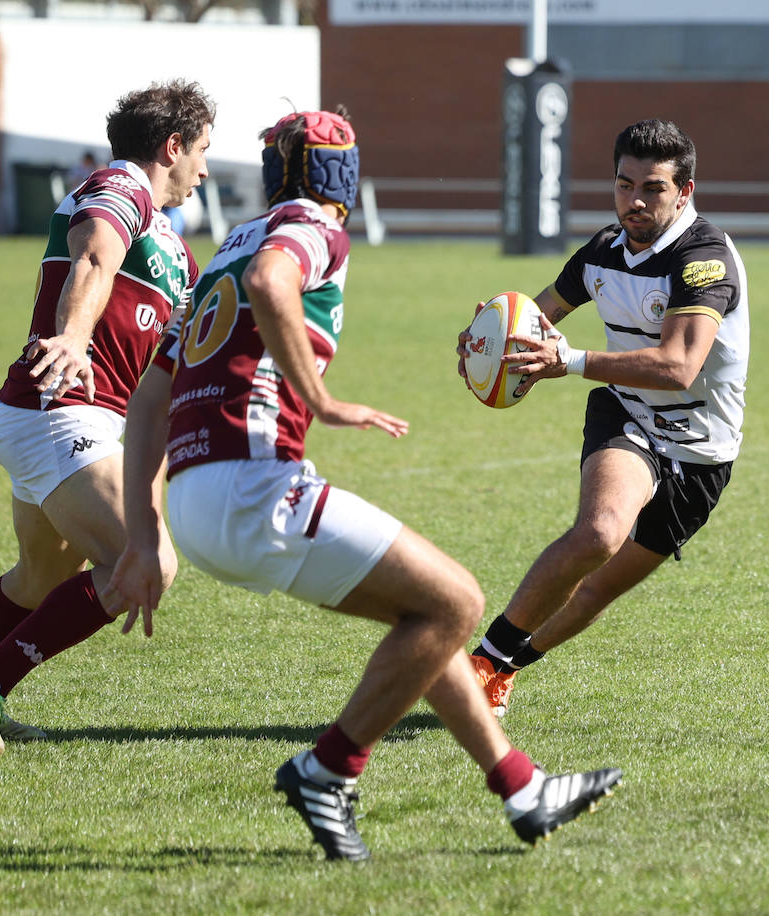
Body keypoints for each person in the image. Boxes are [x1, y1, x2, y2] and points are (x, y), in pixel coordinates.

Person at [97, 108, 623, 861]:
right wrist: (322, 400)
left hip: (198, 502)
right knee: (458, 603)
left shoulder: (223, 249)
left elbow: (151, 395)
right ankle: (328, 769)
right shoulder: (313, 226)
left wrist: (147, 534)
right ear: (337, 172)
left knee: (425, 619)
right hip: (253, 487)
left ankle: (521, 787)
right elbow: (273, 283)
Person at [0, 80, 215, 753]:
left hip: (72, 420)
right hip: (61, 410)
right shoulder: (119, 187)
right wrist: (75, 335)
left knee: (41, 579)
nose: (204, 169)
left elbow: (169, 367)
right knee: (144, 563)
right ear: (170, 147)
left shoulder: (174, 245)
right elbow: (94, 257)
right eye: (201, 152)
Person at [459, 119, 749, 719]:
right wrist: (490, 341)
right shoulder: (600, 252)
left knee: (596, 590)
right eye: (623, 185)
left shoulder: (703, 261)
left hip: (701, 452)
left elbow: (678, 366)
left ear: (685, 192)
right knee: (599, 532)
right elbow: (536, 319)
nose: (634, 201)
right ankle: (479, 664)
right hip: (629, 414)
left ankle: (503, 666)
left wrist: (568, 359)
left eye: (652, 188)